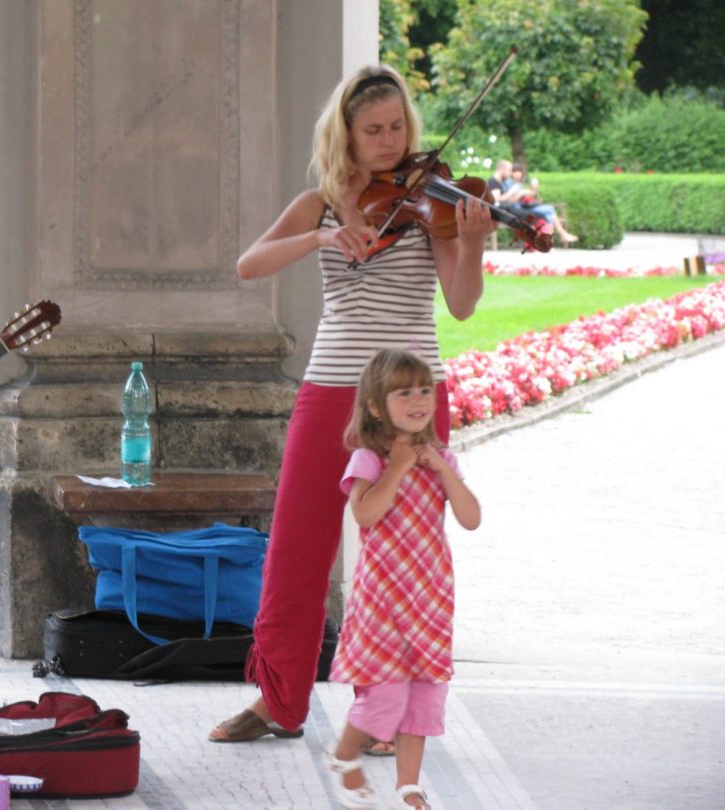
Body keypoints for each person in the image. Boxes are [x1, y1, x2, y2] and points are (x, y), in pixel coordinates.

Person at [207, 65, 493, 747]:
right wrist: (322, 237)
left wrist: (473, 242)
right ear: (348, 134)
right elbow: (250, 263)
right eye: (374, 130)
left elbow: (461, 304)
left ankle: (387, 712)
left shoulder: (434, 205)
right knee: (297, 546)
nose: (390, 141)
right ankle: (279, 702)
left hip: (412, 397)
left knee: (403, 553)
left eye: (397, 126)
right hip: (331, 384)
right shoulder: (322, 202)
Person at [325, 349, 480, 810]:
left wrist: (439, 468)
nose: (418, 400)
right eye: (404, 392)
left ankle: (407, 785)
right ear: (375, 405)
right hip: (382, 599)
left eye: (425, 390)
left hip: (430, 598)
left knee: (424, 698)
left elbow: (471, 518)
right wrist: (398, 466)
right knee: (385, 693)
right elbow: (366, 513)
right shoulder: (369, 461)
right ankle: (344, 755)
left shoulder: (443, 460)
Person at [487, 160, 578, 244]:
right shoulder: (497, 182)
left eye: (516, 171)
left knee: (546, 213)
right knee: (543, 214)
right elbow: (497, 200)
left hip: (515, 208)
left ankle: (548, 242)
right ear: (502, 169)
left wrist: (533, 191)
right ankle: (548, 241)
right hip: (510, 210)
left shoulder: (505, 182)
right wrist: (516, 193)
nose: (511, 173)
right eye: (511, 170)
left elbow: (508, 199)